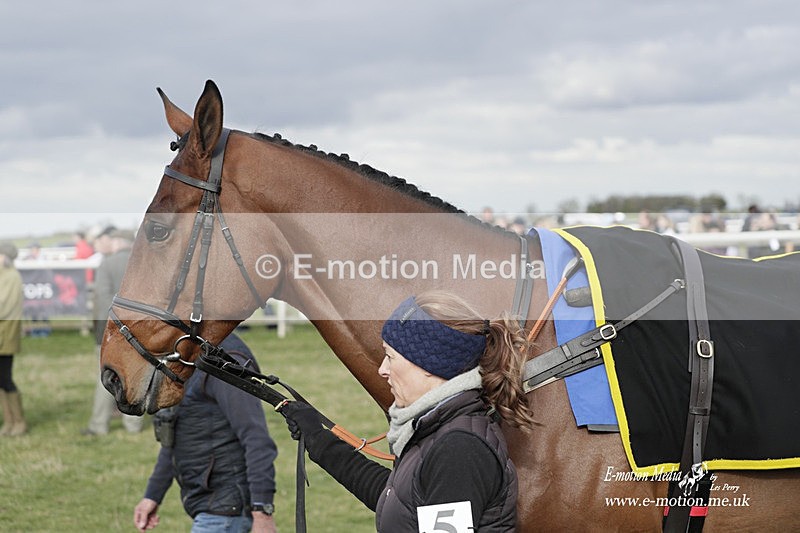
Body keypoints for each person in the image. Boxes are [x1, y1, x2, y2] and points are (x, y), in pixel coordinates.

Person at [280, 290, 532, 532]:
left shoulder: (459, 449)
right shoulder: (438, 427)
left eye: (390, 357)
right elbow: (399, 501)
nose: (382, 370)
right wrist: (319, 439)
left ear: (428, 365)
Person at [133, 333, 278, 533]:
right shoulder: (184, 356)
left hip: (226, 513)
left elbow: (257, 439)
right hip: (211, 510)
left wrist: (262, 511)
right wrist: (152, 495)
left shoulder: (226, 362)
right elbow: (175, 434)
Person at [82, 227, 143, 435]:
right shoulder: (143, 264)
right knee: (133, 378)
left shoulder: (107, 263)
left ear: (117, 242)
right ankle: (133, 425)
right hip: (138, 332)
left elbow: (102, 300)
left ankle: (99, 425)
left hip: (112, 331)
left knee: (107, 378)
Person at [0, 241, 26, 436]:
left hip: (5, 334)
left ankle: (18, 422)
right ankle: (8, 422)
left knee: (6, 379)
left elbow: (4, 307)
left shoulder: (11, 277)